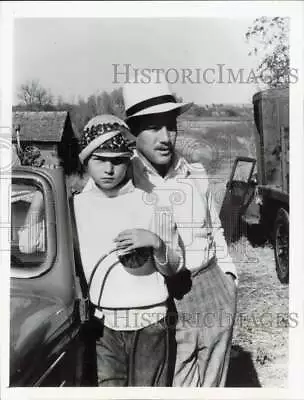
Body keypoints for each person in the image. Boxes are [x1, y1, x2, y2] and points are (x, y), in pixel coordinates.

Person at [123, 74, 238, 387]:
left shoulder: (193, 172)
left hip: (212, 286)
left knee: (213, 383)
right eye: (152, 127)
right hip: (164, 300)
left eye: (170, 125)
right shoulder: (126, 179)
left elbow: (215, 228)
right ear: (133, 131)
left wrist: (229, 277)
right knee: (176, 382)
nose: (165, 137)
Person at [73, 114, 184, 387]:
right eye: (100, 159)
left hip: (151, 322)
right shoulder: (75, 206)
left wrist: (156, 242)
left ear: (128, 160)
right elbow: (32, 240)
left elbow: (176, 265)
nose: (109, 170)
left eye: (117, 161)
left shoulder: (150, 203)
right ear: (86, 161)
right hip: (103, 325)